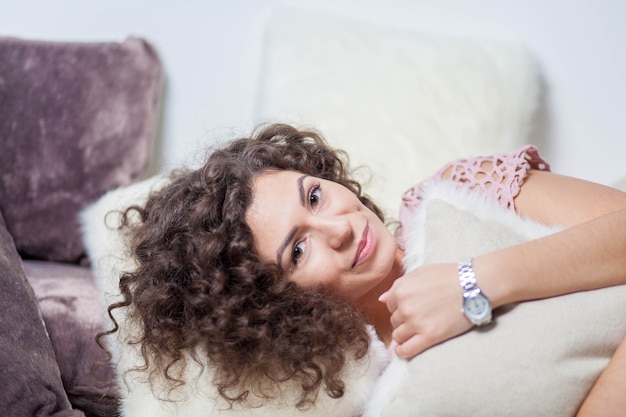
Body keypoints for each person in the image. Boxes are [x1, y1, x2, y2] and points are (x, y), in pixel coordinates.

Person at [104, 123, 626, 415]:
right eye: (298, 251)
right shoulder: (360, 394)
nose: (339, 229)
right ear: (273, 303)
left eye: (313, 196)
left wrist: (476, 282)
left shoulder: (462, 193)